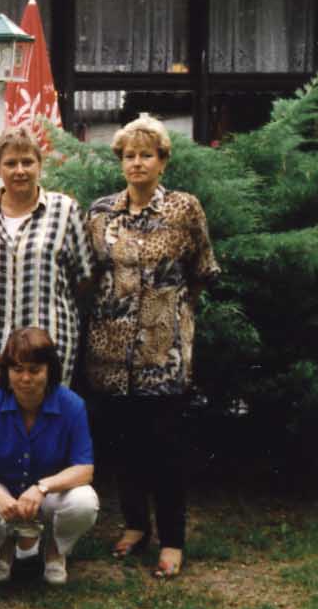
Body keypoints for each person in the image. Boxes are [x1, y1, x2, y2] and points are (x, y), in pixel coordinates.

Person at [86, 114, 219, 580]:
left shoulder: (184, 209)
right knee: (123, 447)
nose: (137, 163)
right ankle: (135, 525)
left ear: (163, 161)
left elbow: (202, 272)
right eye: (129, 155)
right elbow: (90, 275)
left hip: (163, 354)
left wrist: (171, 315)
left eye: (146, 155)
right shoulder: (101, 212)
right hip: (108, 352)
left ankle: (173, 540)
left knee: (165, 449)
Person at [0, 328, 98, 586]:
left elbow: (84, 469)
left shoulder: (72, 405)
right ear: (6, 371)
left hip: (49, 496)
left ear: (49, 370)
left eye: (34, 370)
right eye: (17, 369)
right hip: (4, 493)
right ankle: (2, 548)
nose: (25, 378)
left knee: (84, 502)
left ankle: (55, 550)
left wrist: (42, 488)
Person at [0, 126, 93, 396]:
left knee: (50, 421)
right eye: (10, 163)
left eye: (27, 162)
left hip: (49, 349)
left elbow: (85, 279)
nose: (20, 170)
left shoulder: (65, 210)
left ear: (40, 164)